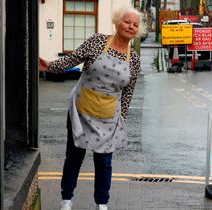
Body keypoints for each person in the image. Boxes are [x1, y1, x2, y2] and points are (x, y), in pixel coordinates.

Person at [39, 5, 142, 210]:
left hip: (108, 117)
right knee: (74, 157)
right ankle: (66, 200)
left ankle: (101, 203)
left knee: (104, 163)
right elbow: (73, 59)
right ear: (117, 22)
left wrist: (121, 118)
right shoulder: (97, 42)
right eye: (127, 21)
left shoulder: (135, 60)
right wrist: (49, 65)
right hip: (81, 110)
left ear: (137, 30)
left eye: (135, 24)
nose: (130, 26)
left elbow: (128, 92)